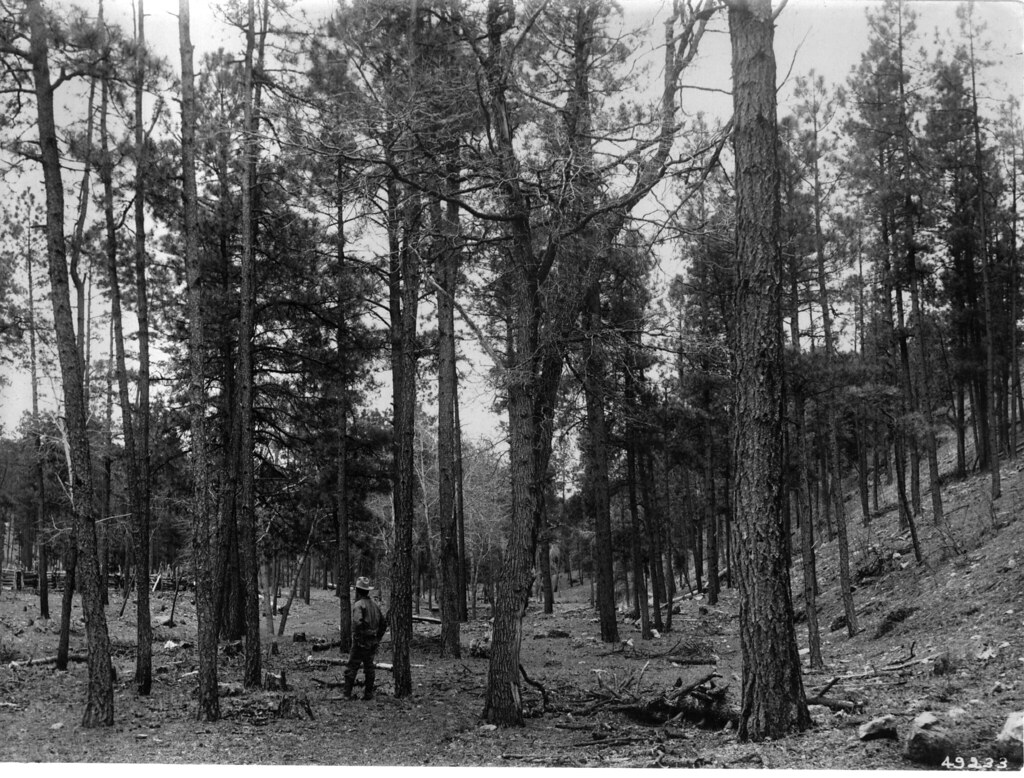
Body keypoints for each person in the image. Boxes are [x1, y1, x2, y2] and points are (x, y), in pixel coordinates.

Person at [344, 576, 387, 700]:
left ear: (357, 590)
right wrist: (377, 638)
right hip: (372, 642)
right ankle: (368, 694)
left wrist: (358, 639)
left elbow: (357, 623)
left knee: (352, 666)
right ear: (367, 591)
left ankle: (347, 694)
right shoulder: (374, 606)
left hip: (361, 642)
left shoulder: (358, 605)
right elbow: (383, 624)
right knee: (369, 667)